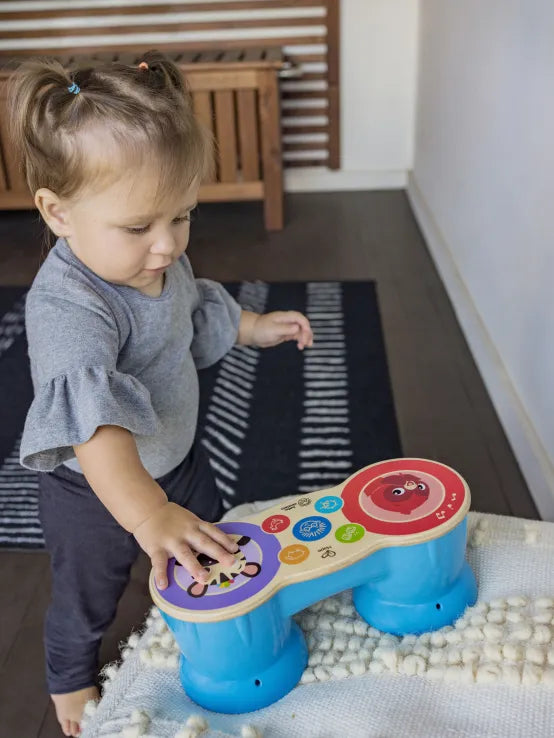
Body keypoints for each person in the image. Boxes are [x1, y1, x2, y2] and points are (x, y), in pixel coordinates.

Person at [8, 50, 313, 737]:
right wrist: (148, 516)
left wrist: (252, 326)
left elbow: (189, 310)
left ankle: (213, 615)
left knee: (212, 543)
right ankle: (69, 679)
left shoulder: (156, 260)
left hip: (177, 459)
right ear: (58, 213)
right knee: (88, 593)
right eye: (140, 226)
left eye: (183, 215)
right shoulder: (70, 310)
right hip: (96, 491)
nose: (168, 244)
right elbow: (95, 430)